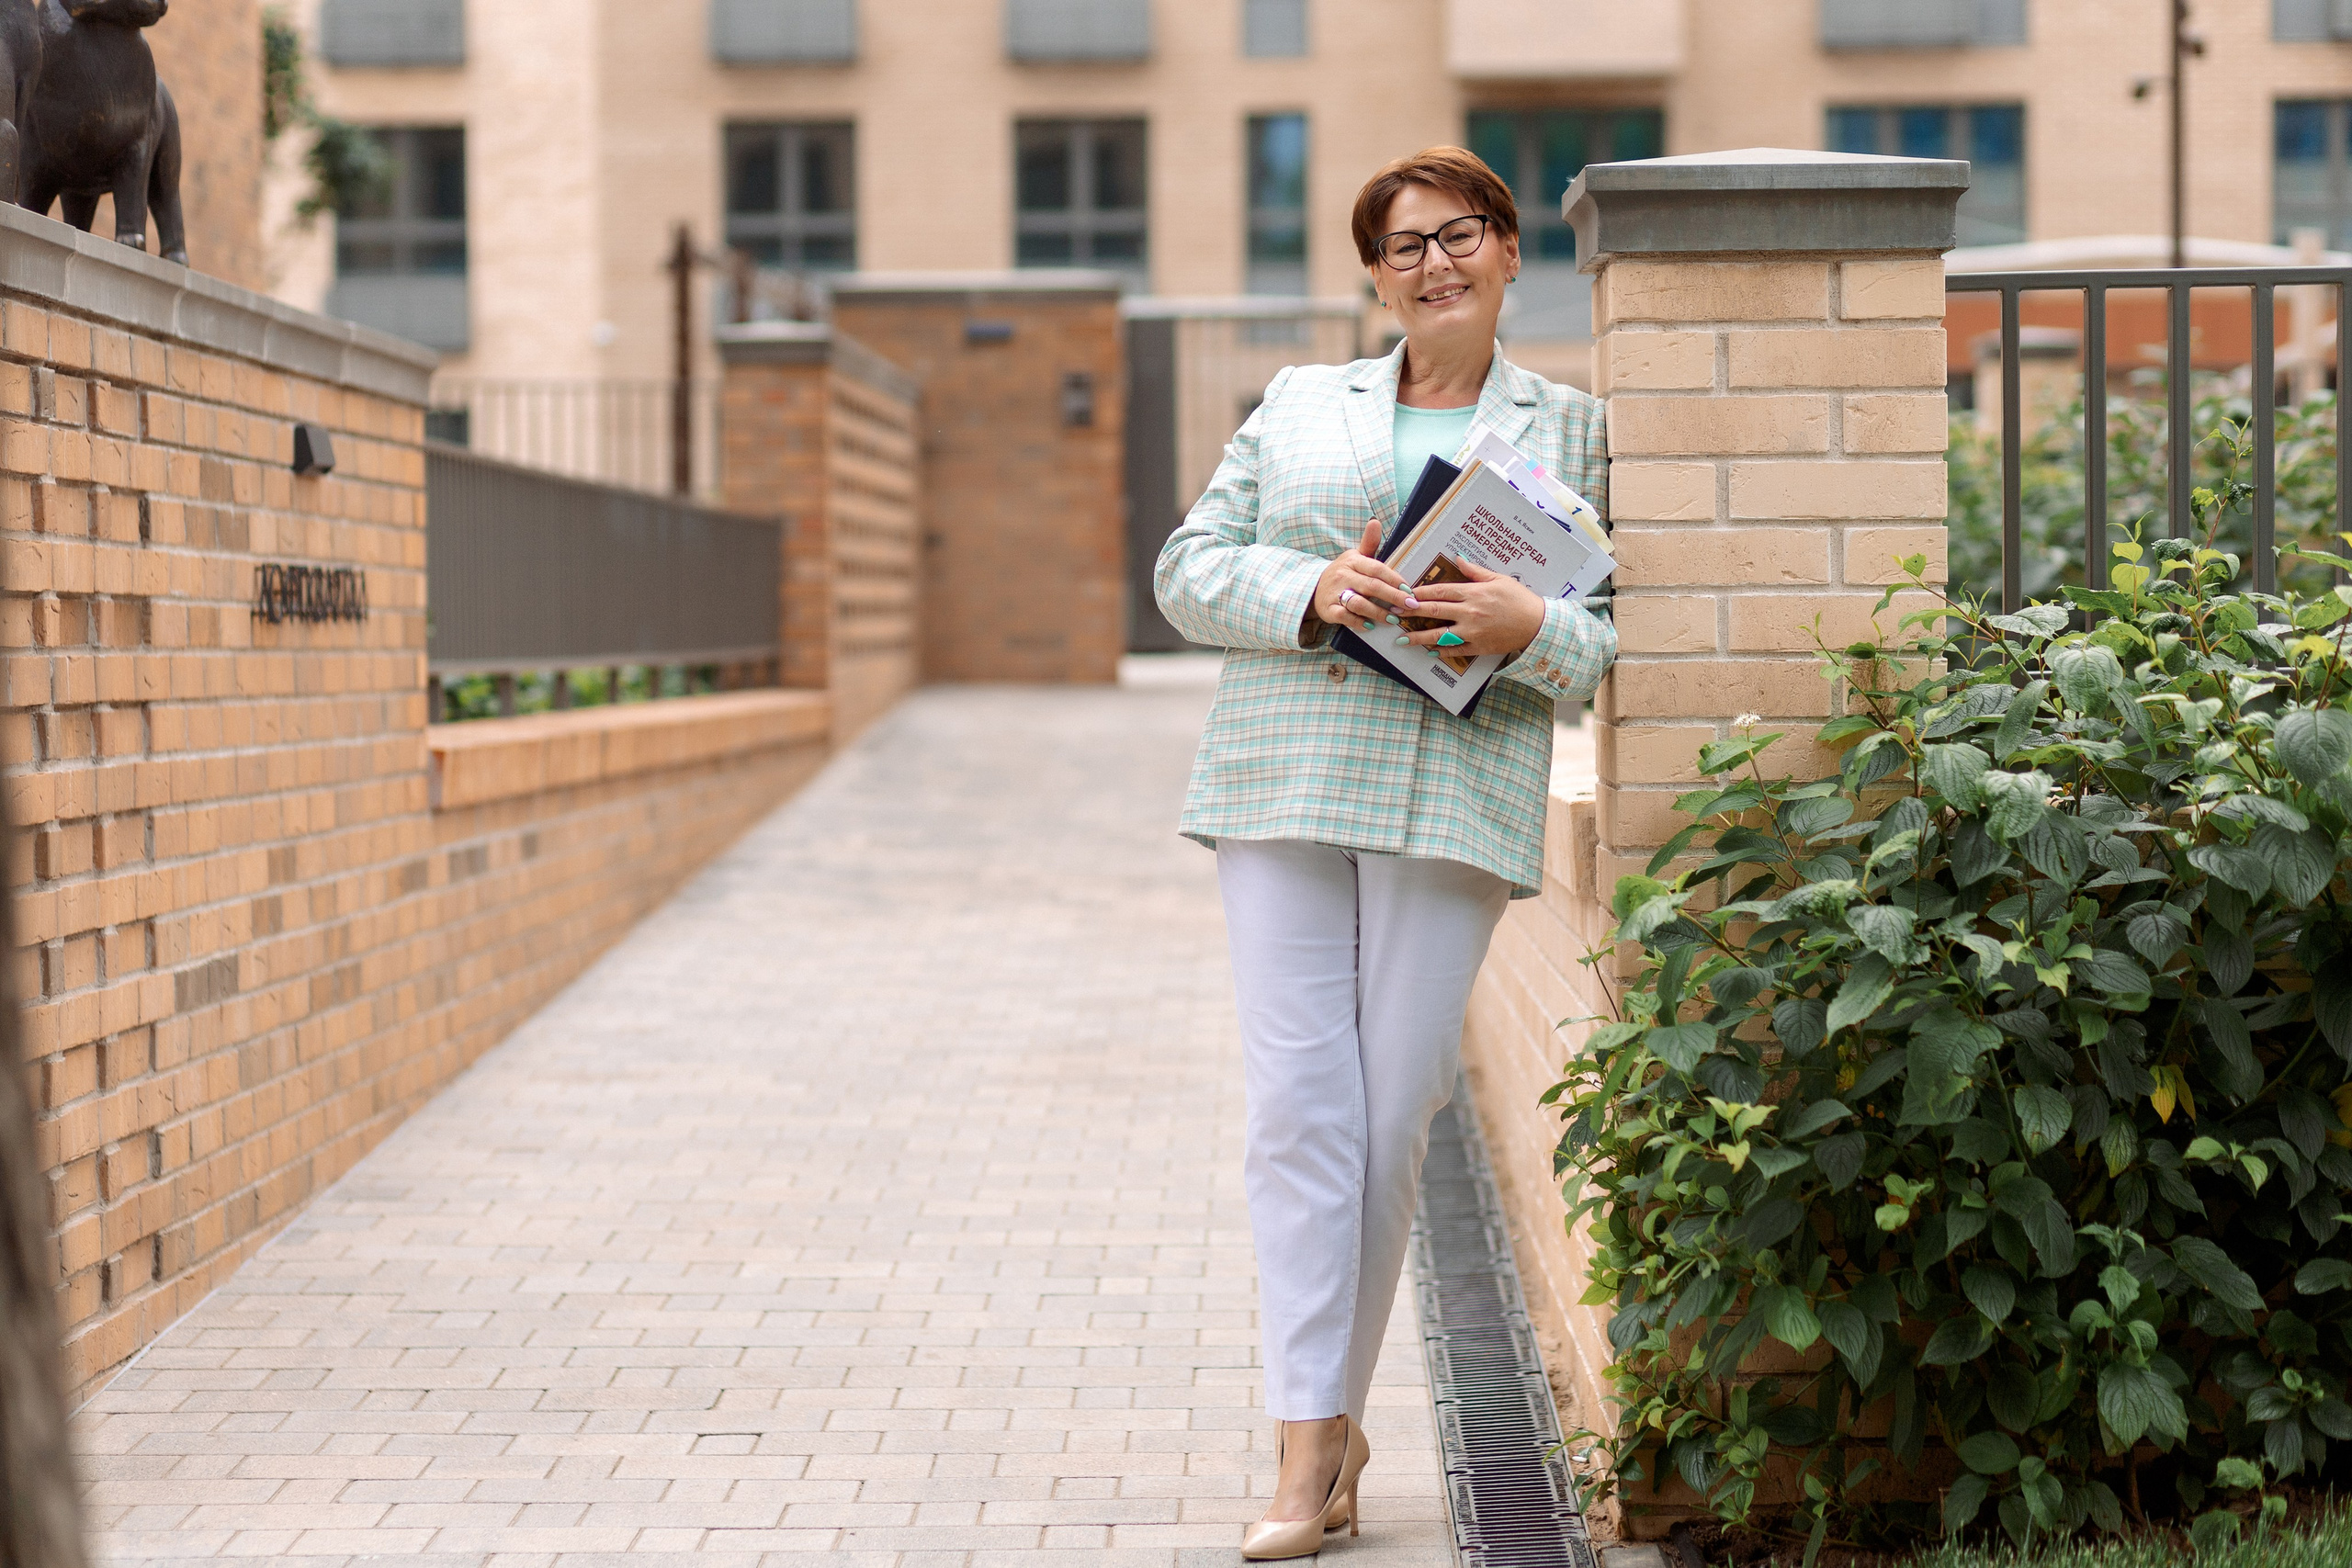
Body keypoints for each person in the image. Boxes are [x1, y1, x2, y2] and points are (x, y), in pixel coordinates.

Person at [1153, 146, 1616, 1562]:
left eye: (1460, 234)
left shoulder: (1578, 430)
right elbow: (1185, 569)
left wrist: (1530, 629)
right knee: (1300, 1113)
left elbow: (1610, 637)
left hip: (1454, 797)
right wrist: (1312, 584)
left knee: (1392, 1111)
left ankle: (1334, 1428)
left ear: (1510, 251)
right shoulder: (1301, 402)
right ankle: (1311, 1444)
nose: (1436, 263)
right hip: (1286, 775)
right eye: (1405, 245)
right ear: (1375, 276)